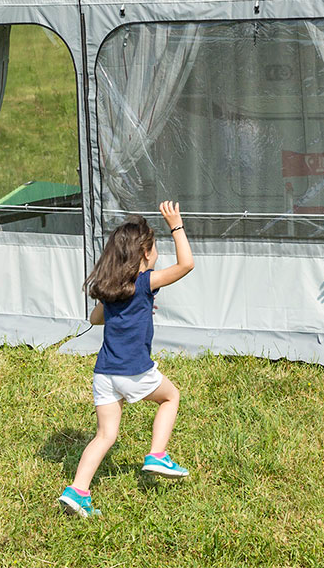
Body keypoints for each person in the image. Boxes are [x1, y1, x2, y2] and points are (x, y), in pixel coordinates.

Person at [58, 202, 195, 518]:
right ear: (145, 253)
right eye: (155, 247)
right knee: (170, 397)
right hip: (133, 371)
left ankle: (77, 491)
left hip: (104, 374)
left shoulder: (112, 288)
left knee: (105, 435)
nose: (157, 252)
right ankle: (157, 454)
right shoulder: (144, 282)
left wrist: (130, 311)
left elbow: (95, 319)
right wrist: (176, 225)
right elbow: (186, 264)